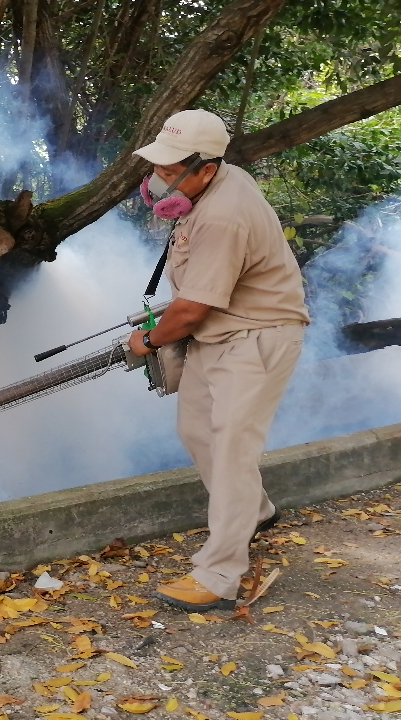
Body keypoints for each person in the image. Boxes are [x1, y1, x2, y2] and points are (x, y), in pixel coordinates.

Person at [126, 109, 311, 611]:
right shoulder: (218, 180)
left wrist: (148, 341)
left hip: (257, 337)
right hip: (219, 332)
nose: (159, 181)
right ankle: (256, 510)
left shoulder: (224, 215)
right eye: (158, 168)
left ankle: (220, 573)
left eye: (169, 171)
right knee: (196, 430)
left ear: (206, 169)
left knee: (231, 447)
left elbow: (190, 310)